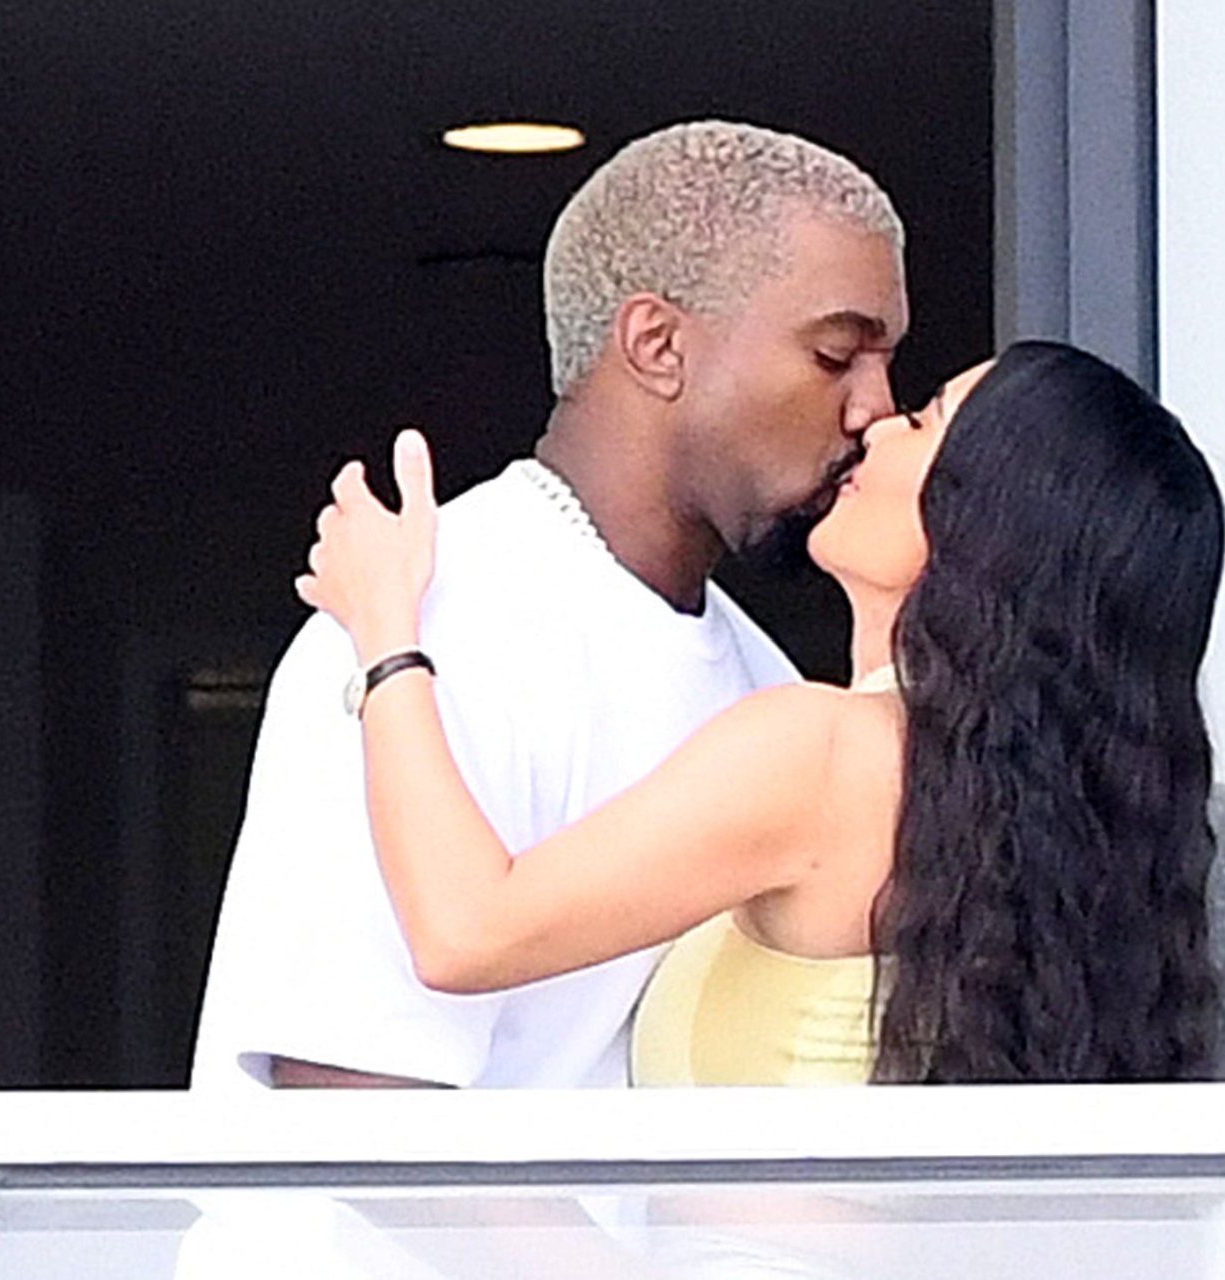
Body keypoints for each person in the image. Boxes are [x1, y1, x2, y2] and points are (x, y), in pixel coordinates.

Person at [190, 119, 909, 1091]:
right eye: (835, 354)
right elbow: (353, 1106)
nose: (876, 408)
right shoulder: (420, 627)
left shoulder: (767, 681)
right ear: (658, 345)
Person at [296, 340, 1225, 1084]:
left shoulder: (823, 754)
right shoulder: (1025, 822)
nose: (879, 428)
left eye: (925, 420)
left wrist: (386, 631)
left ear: (990, 521)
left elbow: (466, 931)